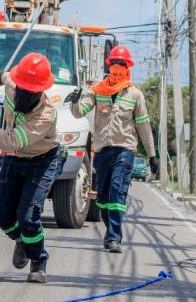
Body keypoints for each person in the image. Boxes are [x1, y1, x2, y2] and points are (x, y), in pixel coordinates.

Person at [0, 52, 61, 284]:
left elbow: (10, 140)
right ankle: (22, 239)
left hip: (42, 160)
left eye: (29, 92)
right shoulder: (13, 86)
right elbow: (8, 77)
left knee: (29, 216)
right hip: (15, 158)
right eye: (21, 88)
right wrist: (3, 76)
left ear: (39, 91)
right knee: (4, 216)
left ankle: (38, 260)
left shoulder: (45, 114)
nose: (22, 94)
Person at [66, 45, 157, 253]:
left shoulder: (135, 95)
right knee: (103, 199)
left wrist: (152, 155)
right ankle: (110, 229)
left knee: (117, 190)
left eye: (121, 67)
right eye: (114, 67)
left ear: (127, 69)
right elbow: (81, 112)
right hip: (102, 151)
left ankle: (114, 237)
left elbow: (143, 126)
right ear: (109, 67)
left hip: (124, 151)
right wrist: (74, 102)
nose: (117, 71)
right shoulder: (98, 91)